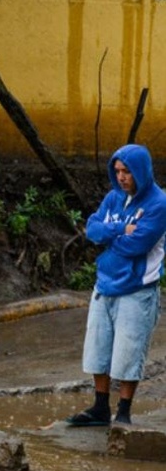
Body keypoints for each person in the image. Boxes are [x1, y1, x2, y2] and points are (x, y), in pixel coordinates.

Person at [66, 144, 166, 427]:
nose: (122, 177)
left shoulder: (159, 204)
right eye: (118, 171)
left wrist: (108, 239)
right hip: (104, 286)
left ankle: (123, 412)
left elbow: (139, 245)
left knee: (128, 352)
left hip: (138, 290)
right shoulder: (113, 198)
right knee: (98, 349)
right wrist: (120, 229)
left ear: (142, 171)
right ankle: (100, 408)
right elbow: (92, 229)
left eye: (127, 171)